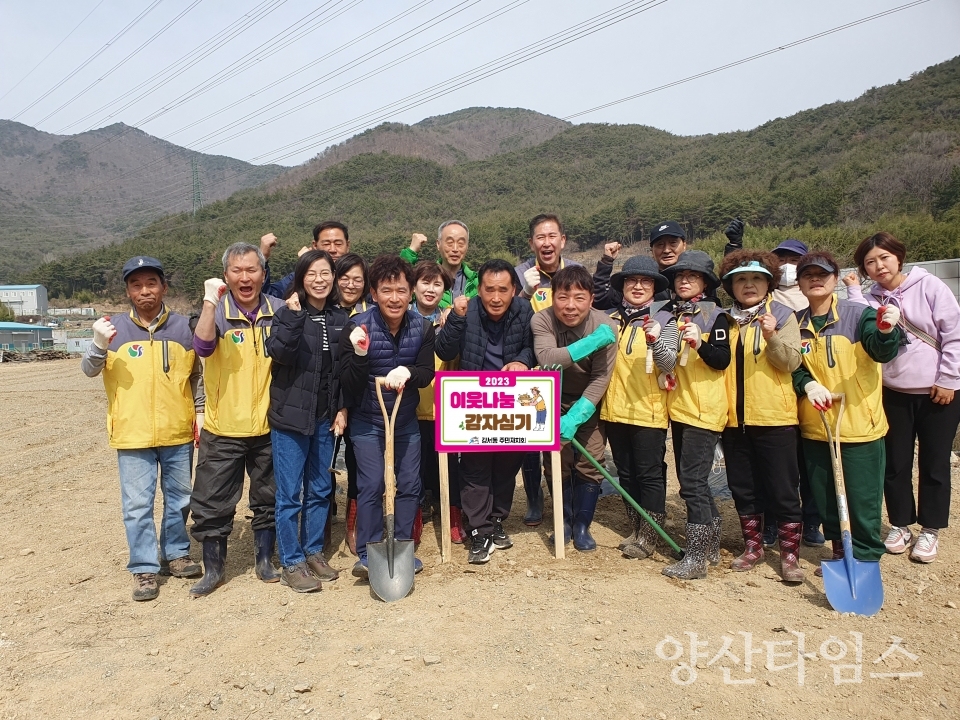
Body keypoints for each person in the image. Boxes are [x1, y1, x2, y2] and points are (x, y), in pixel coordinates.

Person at [81, 256, 203, 601]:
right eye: (136, 285)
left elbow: (198, 376)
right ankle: (145, 567)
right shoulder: (110, 328)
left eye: (151, 283)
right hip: (132, 433)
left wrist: (199, 412)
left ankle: (176, 554)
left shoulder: (184, 328)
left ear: (164, 287)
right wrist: (98, 344)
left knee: (180, 499)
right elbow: (89, 370)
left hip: (177, 430)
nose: (144, 290)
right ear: (128, 291)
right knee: (137, 504)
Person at [843, 233, 960, 563]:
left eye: (884, 258)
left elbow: (954, 335)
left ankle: (930, 530)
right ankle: (900, 524)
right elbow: (862, 319)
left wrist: (949, 379)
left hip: (938, 391)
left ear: (898, 256)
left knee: (934, 462)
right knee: (895, 463)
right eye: (870, 262)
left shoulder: (930, 286)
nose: (878, 266)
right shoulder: (873, 297)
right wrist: (854, 290)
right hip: (893, 391)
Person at [791, 251, 903, 576]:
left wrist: (885, 330)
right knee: (826, 498)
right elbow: (792, 368)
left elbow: (881, 350)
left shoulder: (858, 314)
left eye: (822, 274)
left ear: (835, 278)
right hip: (818, 426)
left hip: (859, 425)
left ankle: (865, 559)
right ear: (799, 283)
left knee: (862, 501)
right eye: (807, 274)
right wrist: (808, 386)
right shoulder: (795, 324)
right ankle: (841, 552)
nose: (815, 279)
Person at [190, 242, 282, 596]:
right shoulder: (216, 311)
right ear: (226, 275)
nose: (245, 278)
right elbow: (202, 348)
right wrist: (210, 302)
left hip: (269, 426)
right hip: (222, 426)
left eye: (252, 270)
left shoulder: (278, 310)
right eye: (237, 271)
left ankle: (264, 560)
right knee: (212, 502)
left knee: (268, 498)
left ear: (262, 273)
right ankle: (213, 569)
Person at [338, 255, 436, 578]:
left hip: (404, 420)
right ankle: (368, 553)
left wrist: (406, 370)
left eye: (401, 290)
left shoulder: (422, 328)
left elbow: (425, 374)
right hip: (367, 421)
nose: (394, 298)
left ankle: (403, 546)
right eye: (386, 290)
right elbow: (349, 382)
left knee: (409, 483)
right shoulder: (357, 326)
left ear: (410, 294)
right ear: (374, 293)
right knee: (371, 484)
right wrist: (361, 353)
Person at [435, 259, 536, 563]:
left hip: (512, 402)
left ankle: (497, 519)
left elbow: (533, 347)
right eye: (488, 290)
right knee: (476, 467)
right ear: (478, 289)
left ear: (514, 290)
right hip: (474, 401)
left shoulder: (524, 311)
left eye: (502, 290)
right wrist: (455, 319)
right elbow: (445, 351)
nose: (495, 297)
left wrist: (522, 360)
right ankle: (480, 531)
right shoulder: (466, 311)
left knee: (507, 465)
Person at [717, 250, 805, 582]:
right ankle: (753, 547)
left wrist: (772, 337)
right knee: (743, 487)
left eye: (756, 278)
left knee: (783, 488)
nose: (749, 285)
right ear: (730, 286)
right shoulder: (723, 320)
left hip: (774, 418)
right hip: (734, 420)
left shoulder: (783, 314)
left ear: (768, 282)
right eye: (741, 279)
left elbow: (791, 363)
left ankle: (789, 556)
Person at [265, 250, 348, 593]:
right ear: (301, 278)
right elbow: (280, 354)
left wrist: (341, 410)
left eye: (326, 273)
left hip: (325, 419)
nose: (320, 279)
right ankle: (291, 562)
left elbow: (342, 370)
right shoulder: (287, 313)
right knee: (289, 495)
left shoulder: (340, 317)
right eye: (312, 273)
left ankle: (313, 551)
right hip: (290, 419)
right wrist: (294, 318)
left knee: (320, 489)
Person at [531, 265, 618, 551]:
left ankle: (582, 525)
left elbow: (601, 377)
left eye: (579, 298)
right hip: (551, 398)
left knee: (589, 462)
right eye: (563, 297)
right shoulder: (542, 320)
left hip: (588, 400)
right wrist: (590, 344)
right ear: (552, 297)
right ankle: (564, 520)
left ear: (591, 299)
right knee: (557, 460)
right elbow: (547, 358)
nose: (570, 306)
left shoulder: (605, 325)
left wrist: (577, 416)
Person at [599, 255, 679, 559]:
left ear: (653, 287)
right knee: (627, 473)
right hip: (615, 409)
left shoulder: (666, 320)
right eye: (631, 281)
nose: (637, 286)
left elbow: (669, 363)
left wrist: (656, 341)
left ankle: (650, 535)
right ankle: (636, 527)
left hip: (649, 410)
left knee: (649, 474)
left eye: (645, 282)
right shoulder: (610, 319)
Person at [659, 251, 731, 579]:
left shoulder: (714, 315)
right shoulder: (671, 314)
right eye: (679, 276)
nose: (684, 280)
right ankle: (711, 545)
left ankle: (696, 558)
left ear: (704, 281)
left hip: (704, 410)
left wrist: (699, 343)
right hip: (682, 407)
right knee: (694, 480)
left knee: (692, 482)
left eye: (692, 276)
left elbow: (722, 359)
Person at [514, 213, 582, 526]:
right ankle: (533, 499)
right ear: (532, 243)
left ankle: (567, 506)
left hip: (569, 367)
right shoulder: (519, 274)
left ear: (562, 241)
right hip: (531, 365)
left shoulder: (576, 272)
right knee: (531, 435)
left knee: (566, 439)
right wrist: (524, 293)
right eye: (540, 237)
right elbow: (507, 315)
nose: (546, 242)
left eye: (552, 236)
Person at [410, 260, 466, 544]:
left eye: (437, 284)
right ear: (414, 286)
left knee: (452, 468)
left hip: (447, 409)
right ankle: (415, 517)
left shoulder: (452, 319)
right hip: (413, 408)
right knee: (413, 468)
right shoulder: (403, 318)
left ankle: (454, 516)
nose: (430, 290)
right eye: (425, 283)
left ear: (445, 288)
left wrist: (453, 323)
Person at [332, 252, 373, 555]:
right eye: (344, 277)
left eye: (357, 279)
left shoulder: (371, 313)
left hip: (360, 401)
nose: (350, 284)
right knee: (322, 471)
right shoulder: (325, 310)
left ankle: (354, 523)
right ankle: (319, 530)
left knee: (358, 467)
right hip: (327, 400)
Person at [264, 221, 351, 298]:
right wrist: (263, 258)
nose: (332, 250)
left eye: (338, 244)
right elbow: (268, 296)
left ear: (347, 246)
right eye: (326, 244)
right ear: (315, 246)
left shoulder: (359, 276)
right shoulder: (298, 277)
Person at [400, 221, 478, 307]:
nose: (455, 249)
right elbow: (398, 283)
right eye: (450, 243)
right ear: (438, 244)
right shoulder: (423, 279)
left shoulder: (477, 282)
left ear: (467, 246)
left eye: (461, 244)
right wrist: (412, 250)